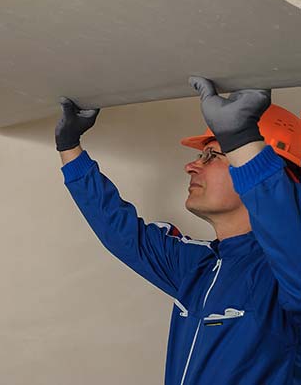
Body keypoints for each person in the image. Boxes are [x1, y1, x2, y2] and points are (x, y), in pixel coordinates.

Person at [55, 77, 301, 384]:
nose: (191, 166)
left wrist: (243, 140)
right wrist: (69, 148)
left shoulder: (284, 277)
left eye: (213, 155)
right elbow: (121, 233)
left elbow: (288, 236)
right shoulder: (198, 266)